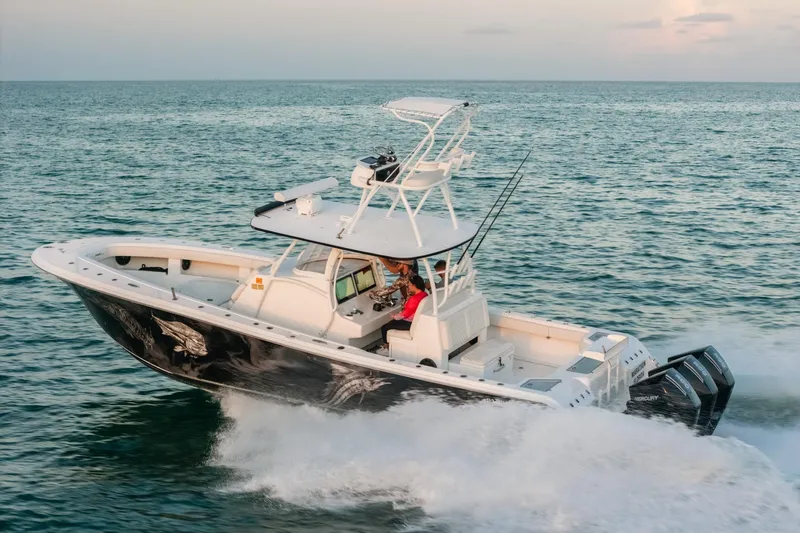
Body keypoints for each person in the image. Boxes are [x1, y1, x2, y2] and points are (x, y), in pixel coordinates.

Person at [379, 275, 427, 351]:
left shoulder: (414, 299)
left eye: (410, 285)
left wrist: (394, 316)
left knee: (384, 327)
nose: (409, 287)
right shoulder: (425, 294)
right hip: (416, 321)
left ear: (414, 285)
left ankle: (386, 347)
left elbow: (404, 315)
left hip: (409, 323)